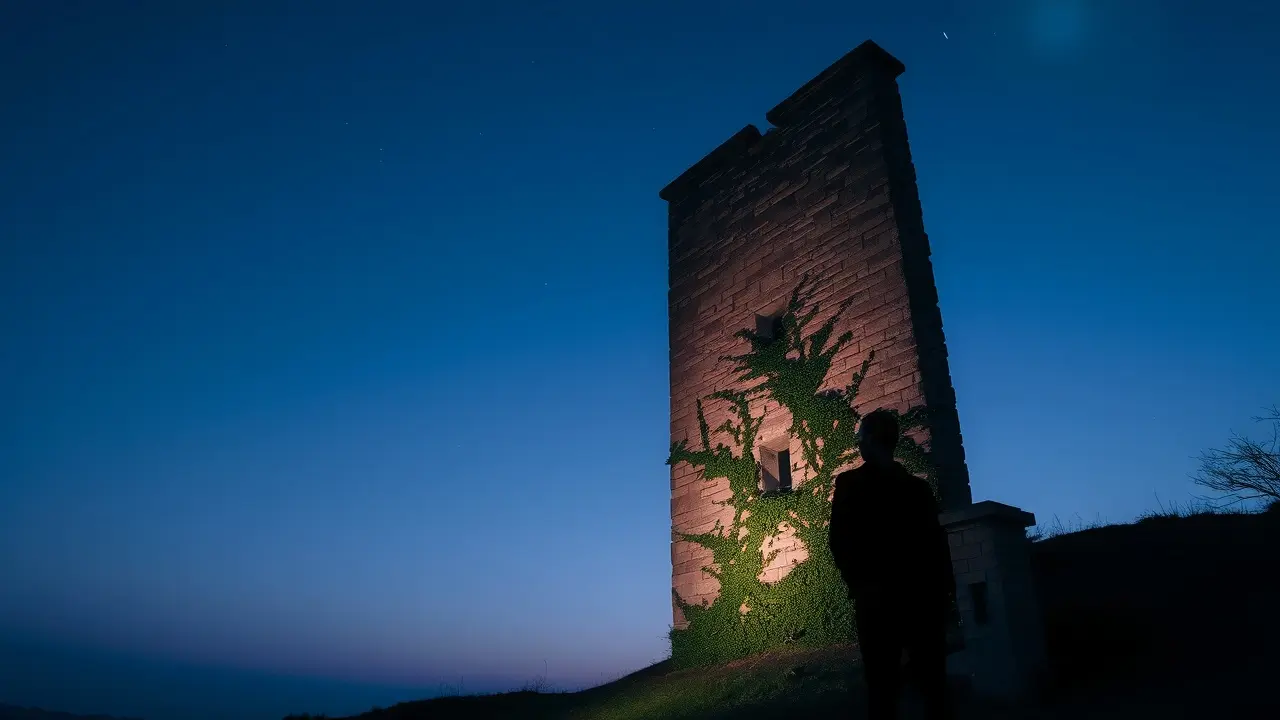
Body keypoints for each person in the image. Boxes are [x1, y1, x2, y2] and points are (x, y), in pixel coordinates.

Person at [828, 409, 956, 720]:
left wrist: (859, 585)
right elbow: (937, 548)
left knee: (883, 689)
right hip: (921, 600)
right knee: (932, 687)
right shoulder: (918, 490)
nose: (858, 445)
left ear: (871, 441)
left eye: (860, 439)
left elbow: (840, 542)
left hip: (878, 602)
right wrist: (943, 595)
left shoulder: (850, 484)